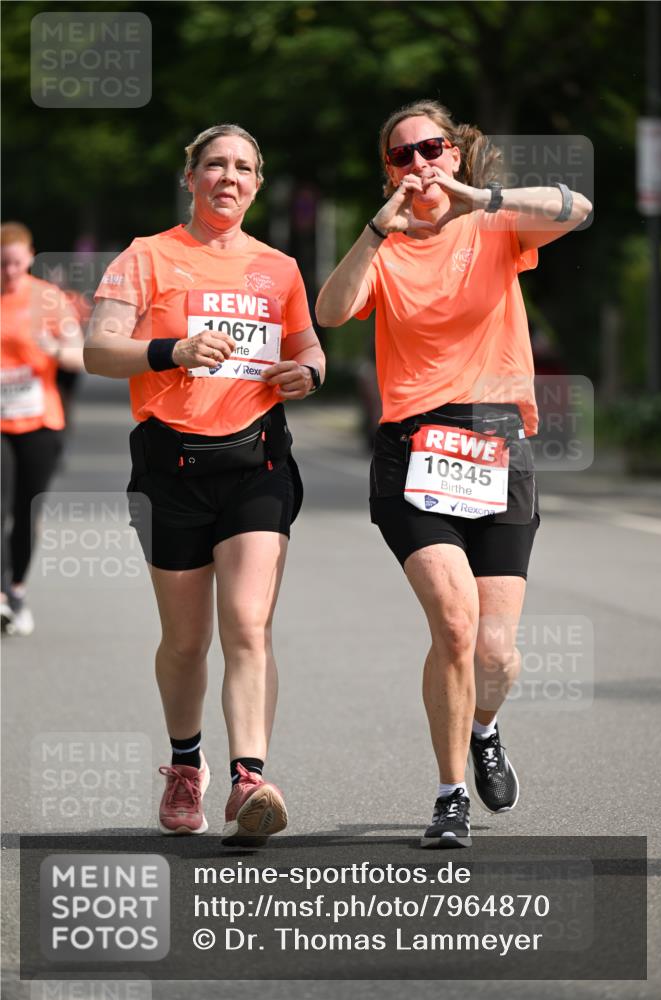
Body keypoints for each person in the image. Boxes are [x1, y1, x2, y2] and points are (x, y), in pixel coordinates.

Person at [316, 100, 591, 849]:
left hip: (498, 445)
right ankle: (448, 796)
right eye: (401, 156)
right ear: (387, 173)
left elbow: (578, 206)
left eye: (430, 149)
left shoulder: (494, 224)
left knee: (495, 650)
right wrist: (376, 231)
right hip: (413, 450)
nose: (419, 165)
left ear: (454, 154)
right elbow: (331, 311)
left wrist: (486, 198)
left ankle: (484, 727)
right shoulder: (385, 245)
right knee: (454, 623)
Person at [85, 124, 325, 844]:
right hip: (171, 467)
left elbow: (306, 344)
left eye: (243, 167)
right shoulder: (145, 258)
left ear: (256, 185)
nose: (229, 176)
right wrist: (173, 349)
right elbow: (98, 349)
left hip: (257, 463)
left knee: (247, 625)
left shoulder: (277, 267)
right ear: (189, 177)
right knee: (186, 641)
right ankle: (187, 766)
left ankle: (250, 778)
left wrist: (307, 372)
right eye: (215, 164)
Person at [1, 222, 84, 636]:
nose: (10, 272)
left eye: (16, 263)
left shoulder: (47, 299)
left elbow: (80, 355)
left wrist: (54, 349)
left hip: (40, 419)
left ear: (30, 257)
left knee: (25, 510)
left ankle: (15, 589)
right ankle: (0, 594)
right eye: (2, 265)